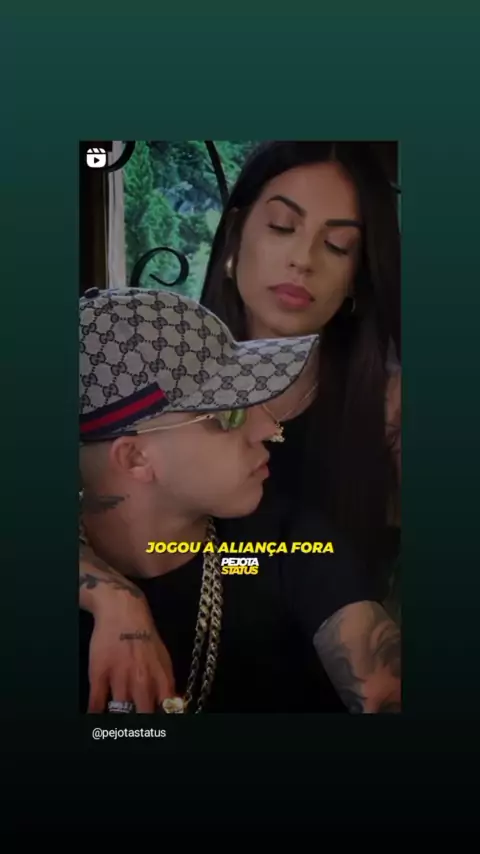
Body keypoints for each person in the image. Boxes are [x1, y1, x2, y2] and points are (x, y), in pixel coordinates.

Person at [80, 140, 402, 707]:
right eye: (281, 226)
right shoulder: (147, 358)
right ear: (235, 235)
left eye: (338, 244)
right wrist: (110, 596)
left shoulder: (383, 417)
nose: (303, 259)